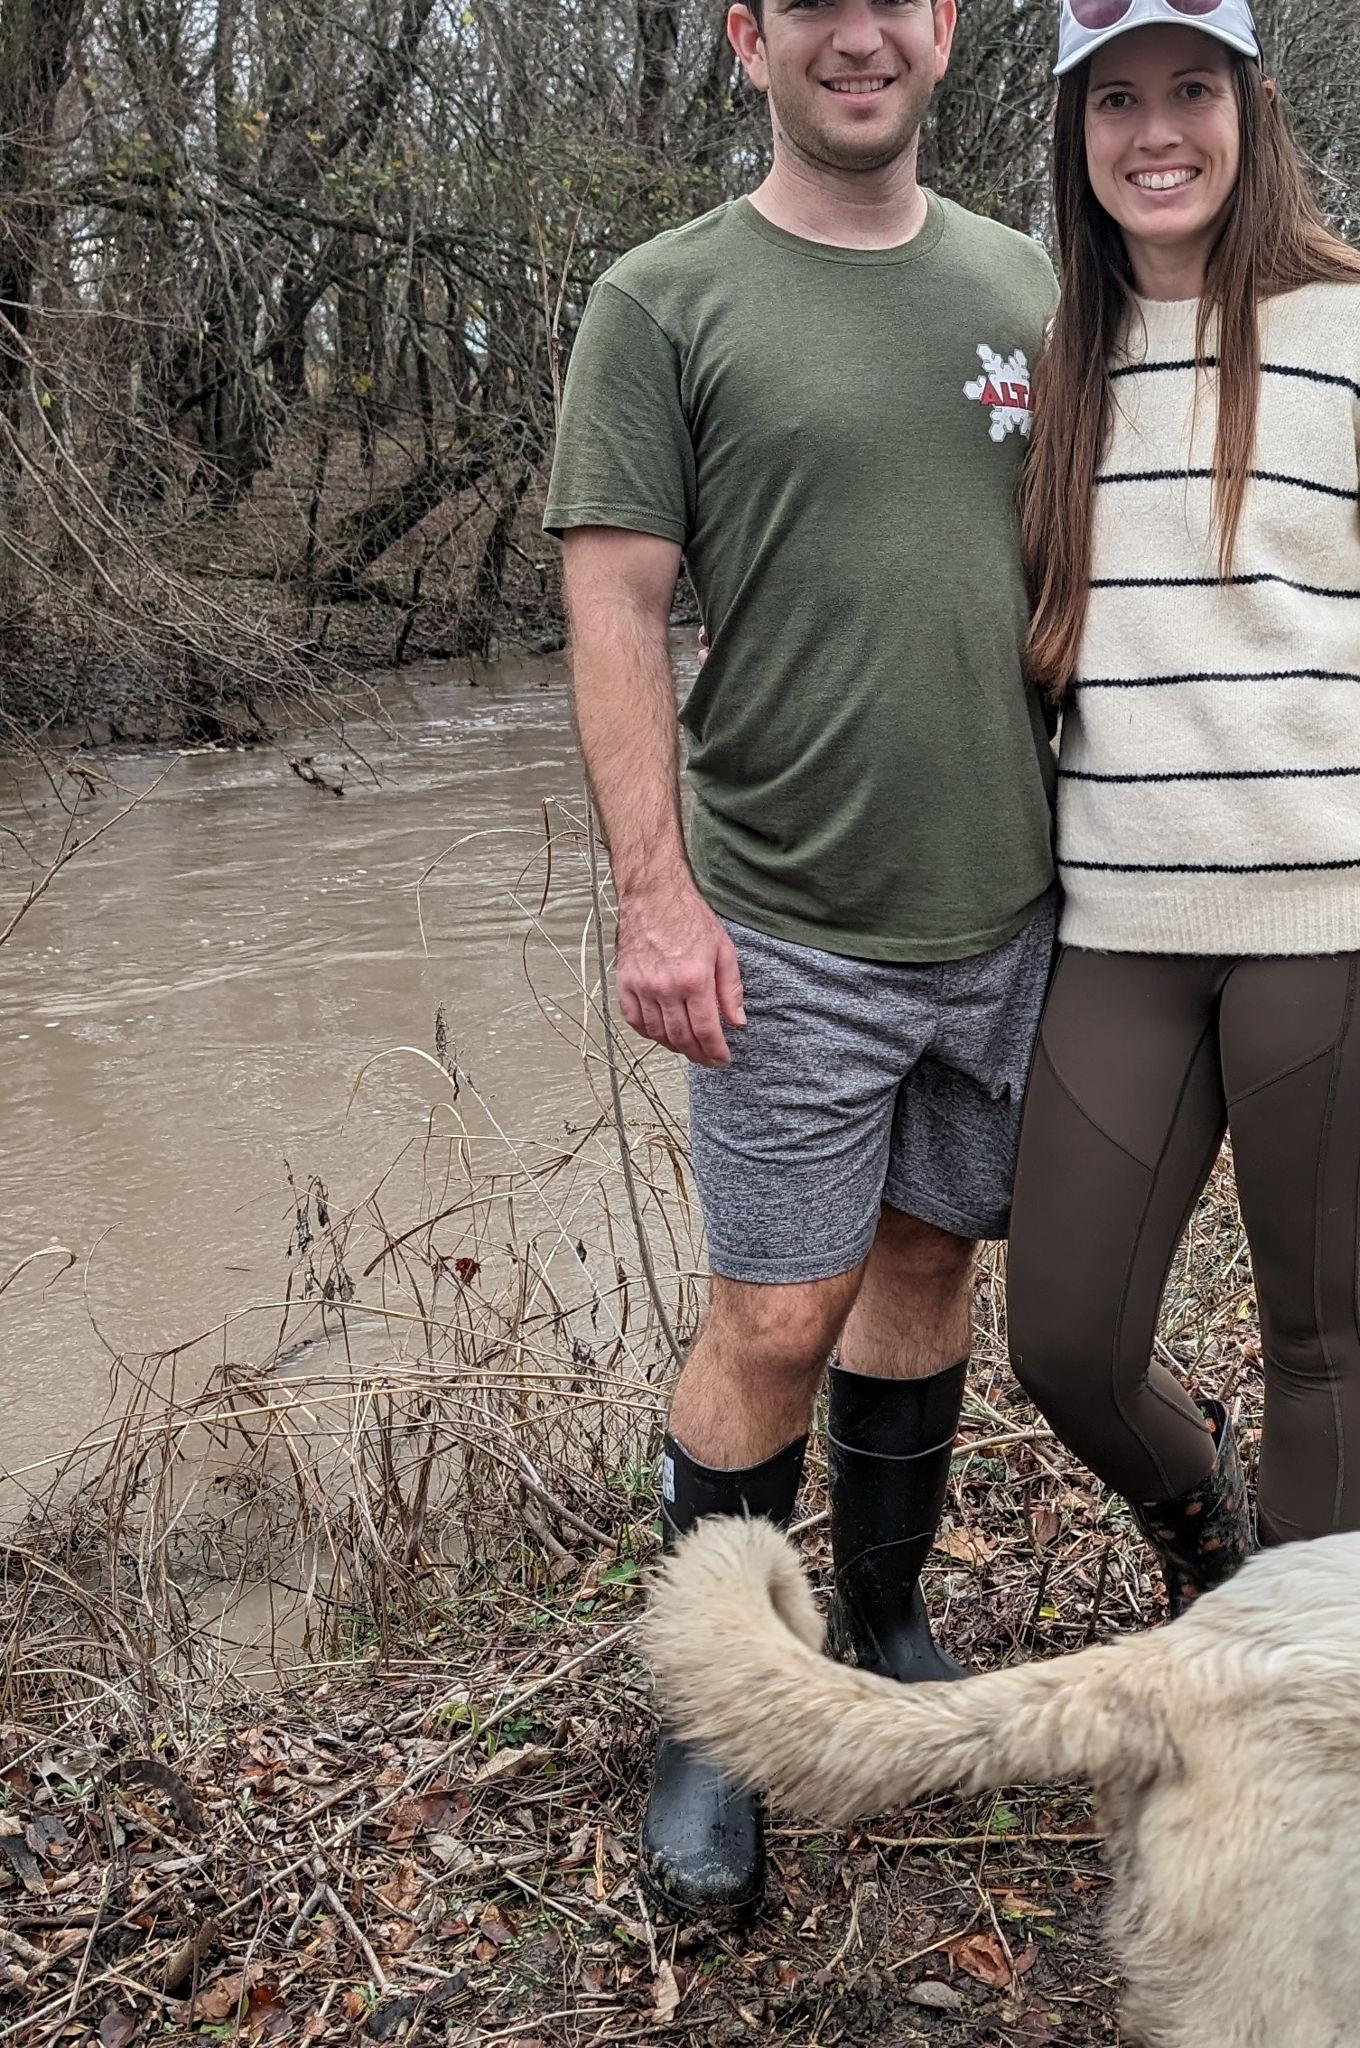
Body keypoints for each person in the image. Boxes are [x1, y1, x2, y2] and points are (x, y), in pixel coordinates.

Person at [542, 0, 1058, 1918]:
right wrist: (652, 895)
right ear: (751, 36)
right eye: (815, 5)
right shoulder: (662, 300)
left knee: (929, 1266)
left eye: (899, 4)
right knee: (771, 1319)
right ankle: (718, 1710)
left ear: (944, 32)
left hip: (1012, 913)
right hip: (782, 927)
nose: (863, 38)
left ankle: (882, 1618)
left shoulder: (1027, 280)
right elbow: (613, 601)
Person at [1005, 0, 1360, 1610]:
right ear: (1074, 129)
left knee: (1321, 1330)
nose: (1154, 132)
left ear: (1252, 107)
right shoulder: (1057, 361)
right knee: (1068, 1341)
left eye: (1189, 90)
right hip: (1122, 926)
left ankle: (1294, 1677)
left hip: (1341, 917)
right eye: (1115, 100)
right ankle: (1209, 1529)